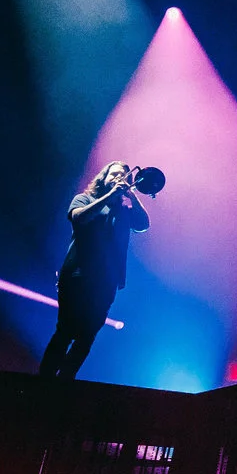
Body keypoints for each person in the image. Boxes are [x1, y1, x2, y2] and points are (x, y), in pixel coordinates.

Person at [40, 160, 160, 379]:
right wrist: (111, 194)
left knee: (88, 335)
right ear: (103, 178)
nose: (118, 179)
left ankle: (65, 379)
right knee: (65, 330)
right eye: (113, 175)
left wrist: (131, 195)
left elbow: (143, 224)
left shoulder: (125, 208)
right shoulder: (85, 199)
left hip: (107, 280)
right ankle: (44, 378)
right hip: (77, 275)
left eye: (123, 176)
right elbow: (79, 217)